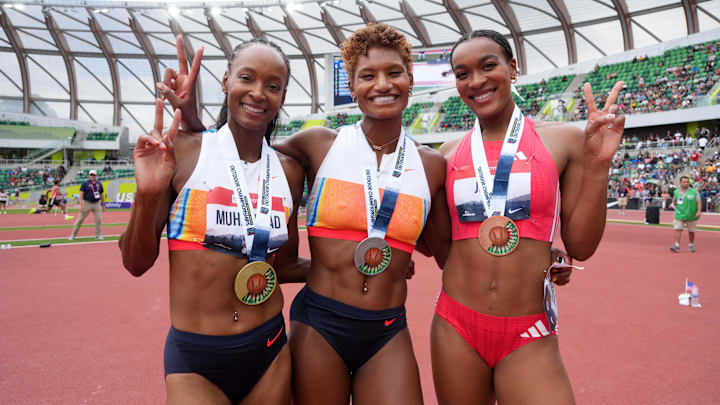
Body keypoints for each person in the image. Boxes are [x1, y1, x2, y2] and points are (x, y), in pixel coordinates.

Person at [164, 24, 450, 405]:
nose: (382, 84)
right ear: (352, 85)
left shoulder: (432, 165)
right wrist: (192, 122)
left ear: (410, 80)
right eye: (368, 75)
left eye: (394, 73)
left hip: (386, 329)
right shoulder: (317, 145)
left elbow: (444, 250)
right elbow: (240, 149)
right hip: (320, 325)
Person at [432, 30, 625, 405]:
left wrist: (598, 167)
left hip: (529, 329)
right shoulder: (447, 151)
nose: (476, 81)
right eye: (462, 73)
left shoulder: (563, 139)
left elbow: (581, 247)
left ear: (513, 68)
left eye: (489, 66)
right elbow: (443, 247)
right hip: (455, 324)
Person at [121, 37, 307, 404]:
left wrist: (354, 269)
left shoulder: (289, 172)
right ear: (226, 83)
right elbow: (135, 263)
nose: (258, 93)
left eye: (273, 86)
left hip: (269, 350)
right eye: (247, 78)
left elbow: (282, 267)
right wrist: (146, 195)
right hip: (196, 359)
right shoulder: (184, 153)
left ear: (282, 96)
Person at [69, 170, 104, 240]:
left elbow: (101, 194)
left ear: (96, 176)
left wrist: (103, 204)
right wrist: (81, 205)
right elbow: (81, 194)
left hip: (96, 203)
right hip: (87, 203)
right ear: (89, 175)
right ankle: (73, 235)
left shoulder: (99, 184)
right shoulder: (85, 183)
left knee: (99, 219)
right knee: (80, 219)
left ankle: (98, 235)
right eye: (91, 175)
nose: (92, 176)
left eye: (93, 175)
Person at [669, 176, 701, 253]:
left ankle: (691, 244)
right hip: (680, 214)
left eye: (687, 182)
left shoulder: (694, 191)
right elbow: (675, 202)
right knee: (678, 229)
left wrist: (698, 211)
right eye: (684, 182)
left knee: (691, 231)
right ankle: (676, 245)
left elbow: (699, 202)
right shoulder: (676, 192)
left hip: (691, 214)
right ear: (680, 183)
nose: (686, 183)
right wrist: (672, 204)